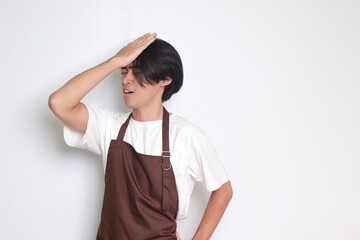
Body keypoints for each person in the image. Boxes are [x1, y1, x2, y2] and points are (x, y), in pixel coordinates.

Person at [48, 32, 233, 240]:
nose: (126, 80)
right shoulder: (110, 127)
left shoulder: (185, 135)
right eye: (123, 71)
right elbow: (59, 103)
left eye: (137, 72)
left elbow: (223, 190)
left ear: (165, 79)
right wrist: (115, 60)